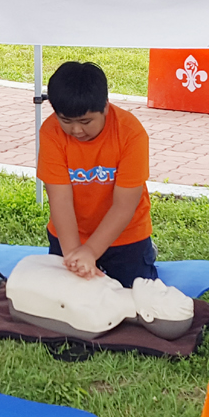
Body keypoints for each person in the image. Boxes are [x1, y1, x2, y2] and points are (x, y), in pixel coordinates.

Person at [38, 60, 156, 285]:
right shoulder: (51, 132)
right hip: (68, 234)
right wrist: (74, 257)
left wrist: (91, 251)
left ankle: (146, 254)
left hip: (125, 236)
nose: (76, 130)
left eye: (85, 121)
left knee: (133, 295)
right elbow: (60, 199)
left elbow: (124, 205)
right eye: (66, 121)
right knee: (63, 294)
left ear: (106, 107)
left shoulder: (131, 133)